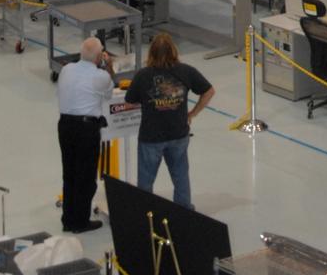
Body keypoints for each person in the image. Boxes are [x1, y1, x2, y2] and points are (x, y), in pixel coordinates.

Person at [125, 33, 214, 209]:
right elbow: (209, 91)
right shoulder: (186, 71)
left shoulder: (143, 75)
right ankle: (184, 212)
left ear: (151, 53)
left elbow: (129, 102)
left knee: (146, 180)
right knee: (180, 177)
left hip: (151, 137)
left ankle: (144, 212)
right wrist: (192, 113)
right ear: (174, 51)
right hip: (178, 134)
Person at [57, 37, 114, 233]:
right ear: (99, 57)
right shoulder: (101, 76)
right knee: (86, 176)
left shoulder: (66, 70)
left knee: (70, 173)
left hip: (65, 126)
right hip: (86, 129)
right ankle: (81, 222)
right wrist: (108, 66)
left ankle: (68, 219)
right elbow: (108, 93)